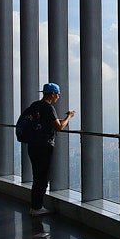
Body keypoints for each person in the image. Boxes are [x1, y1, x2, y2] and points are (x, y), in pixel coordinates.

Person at [27, 82, 76, 216]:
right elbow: (59, 127)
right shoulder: (48, 108)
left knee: (37, 176)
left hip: (32, 145)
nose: (58, 97)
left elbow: (43, 121)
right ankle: (36, 208)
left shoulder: (35, 105)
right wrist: (69, 117)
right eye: (58, 94)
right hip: (44, 146)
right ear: (53, 94)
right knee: (43, 177)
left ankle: (34, 206)